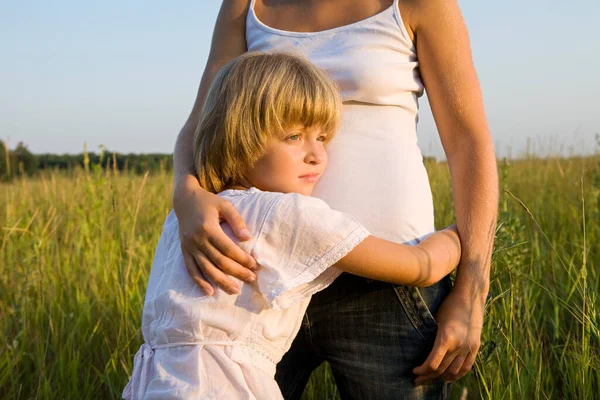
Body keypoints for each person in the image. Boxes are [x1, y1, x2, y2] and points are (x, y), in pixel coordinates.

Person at [172, 0, 499, 398]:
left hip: (387, 284)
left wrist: (471, 290)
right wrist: (186, 193)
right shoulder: (245, 5)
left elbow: (469, 142)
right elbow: (204, 121)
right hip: (259, 281)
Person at [123, 52, 461, 400]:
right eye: (295, 136)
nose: (317, 154)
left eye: (323, 137)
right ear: (241, 137)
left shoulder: (185, 218)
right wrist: (457, 237)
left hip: (157, 386)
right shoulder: (285, 214)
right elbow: (420, 267)